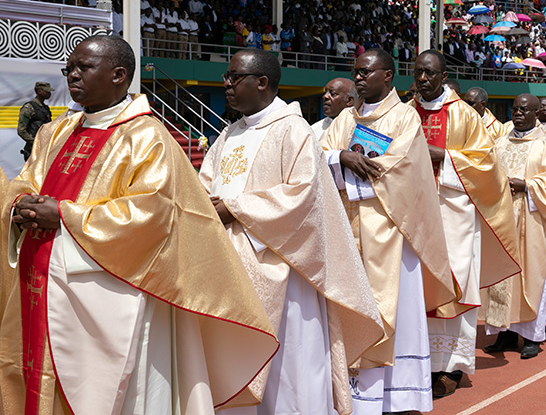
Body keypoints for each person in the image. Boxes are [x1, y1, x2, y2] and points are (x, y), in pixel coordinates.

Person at [0, 35, 278, 414]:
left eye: (84, 67)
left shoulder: (147, 138)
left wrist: (64, 216)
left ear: (118, 75)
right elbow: (27, 180)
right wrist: (19, 205)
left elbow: (151, 213)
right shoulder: (55, 132)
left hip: (111, 293)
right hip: (44, 280)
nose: (73, 75)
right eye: (70, 68)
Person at [200, 50, 382, 414]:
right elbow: (205, 182)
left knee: (289, 372)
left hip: (285, 269)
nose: (226, 84)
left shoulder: (293, 129)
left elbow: (302, 195)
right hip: (231, 262)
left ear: (262, 82)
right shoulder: (229, 133)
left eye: (234, 77)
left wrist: (234, 208)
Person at [321, 48, 457, 414]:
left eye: (367, 71)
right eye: (356, 72)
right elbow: (320, 154)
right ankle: (352, 394)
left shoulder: (404, 118)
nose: (360, 77)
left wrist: (353, 165)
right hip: (346, 229)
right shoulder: (345, 118)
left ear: (388, 76)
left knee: (392, 310)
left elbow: (400, 168)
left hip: (390, 233)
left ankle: (396, 396)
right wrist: (341, 158)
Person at [408, 50, 518, 398]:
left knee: (456, 284)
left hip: (454, 213)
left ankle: (452, 365)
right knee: (416, 287)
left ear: (443, 77)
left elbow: (487, 165)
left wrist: (445, 157)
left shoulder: (464, 116)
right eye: (417, 73)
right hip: (415, 214)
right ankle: (419, 360)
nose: (422, 79)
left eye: (429, 73)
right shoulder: (406, 112)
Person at [483, 93, 546, 359]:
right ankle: (503, 333)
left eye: (524, 109)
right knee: (502, 276)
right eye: (515, 109)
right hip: (501, 219)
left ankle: (531, 336)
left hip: (533, 221)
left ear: (535, 114)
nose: (518, 113)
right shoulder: (500, 143)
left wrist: (527, 186)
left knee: (531, 277)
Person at [17, 82, 53, 161]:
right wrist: (35, 142)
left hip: (45, 150)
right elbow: (21, 130)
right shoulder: (29, 108)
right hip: (32, 151)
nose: (49, 93)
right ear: (39, 91)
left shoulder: (45, 108)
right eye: (46, 91)